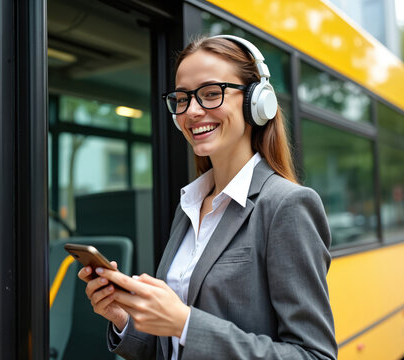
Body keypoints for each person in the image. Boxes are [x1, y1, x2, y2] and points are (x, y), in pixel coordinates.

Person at [79, 35, 337, 360]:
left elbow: (314, 355)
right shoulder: (188, 205)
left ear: (256, 102)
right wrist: (124, 321)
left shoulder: (287, 205)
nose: (193, 111)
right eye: (182, 99)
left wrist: (185, 323)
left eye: (211, 94)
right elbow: (173, 347)